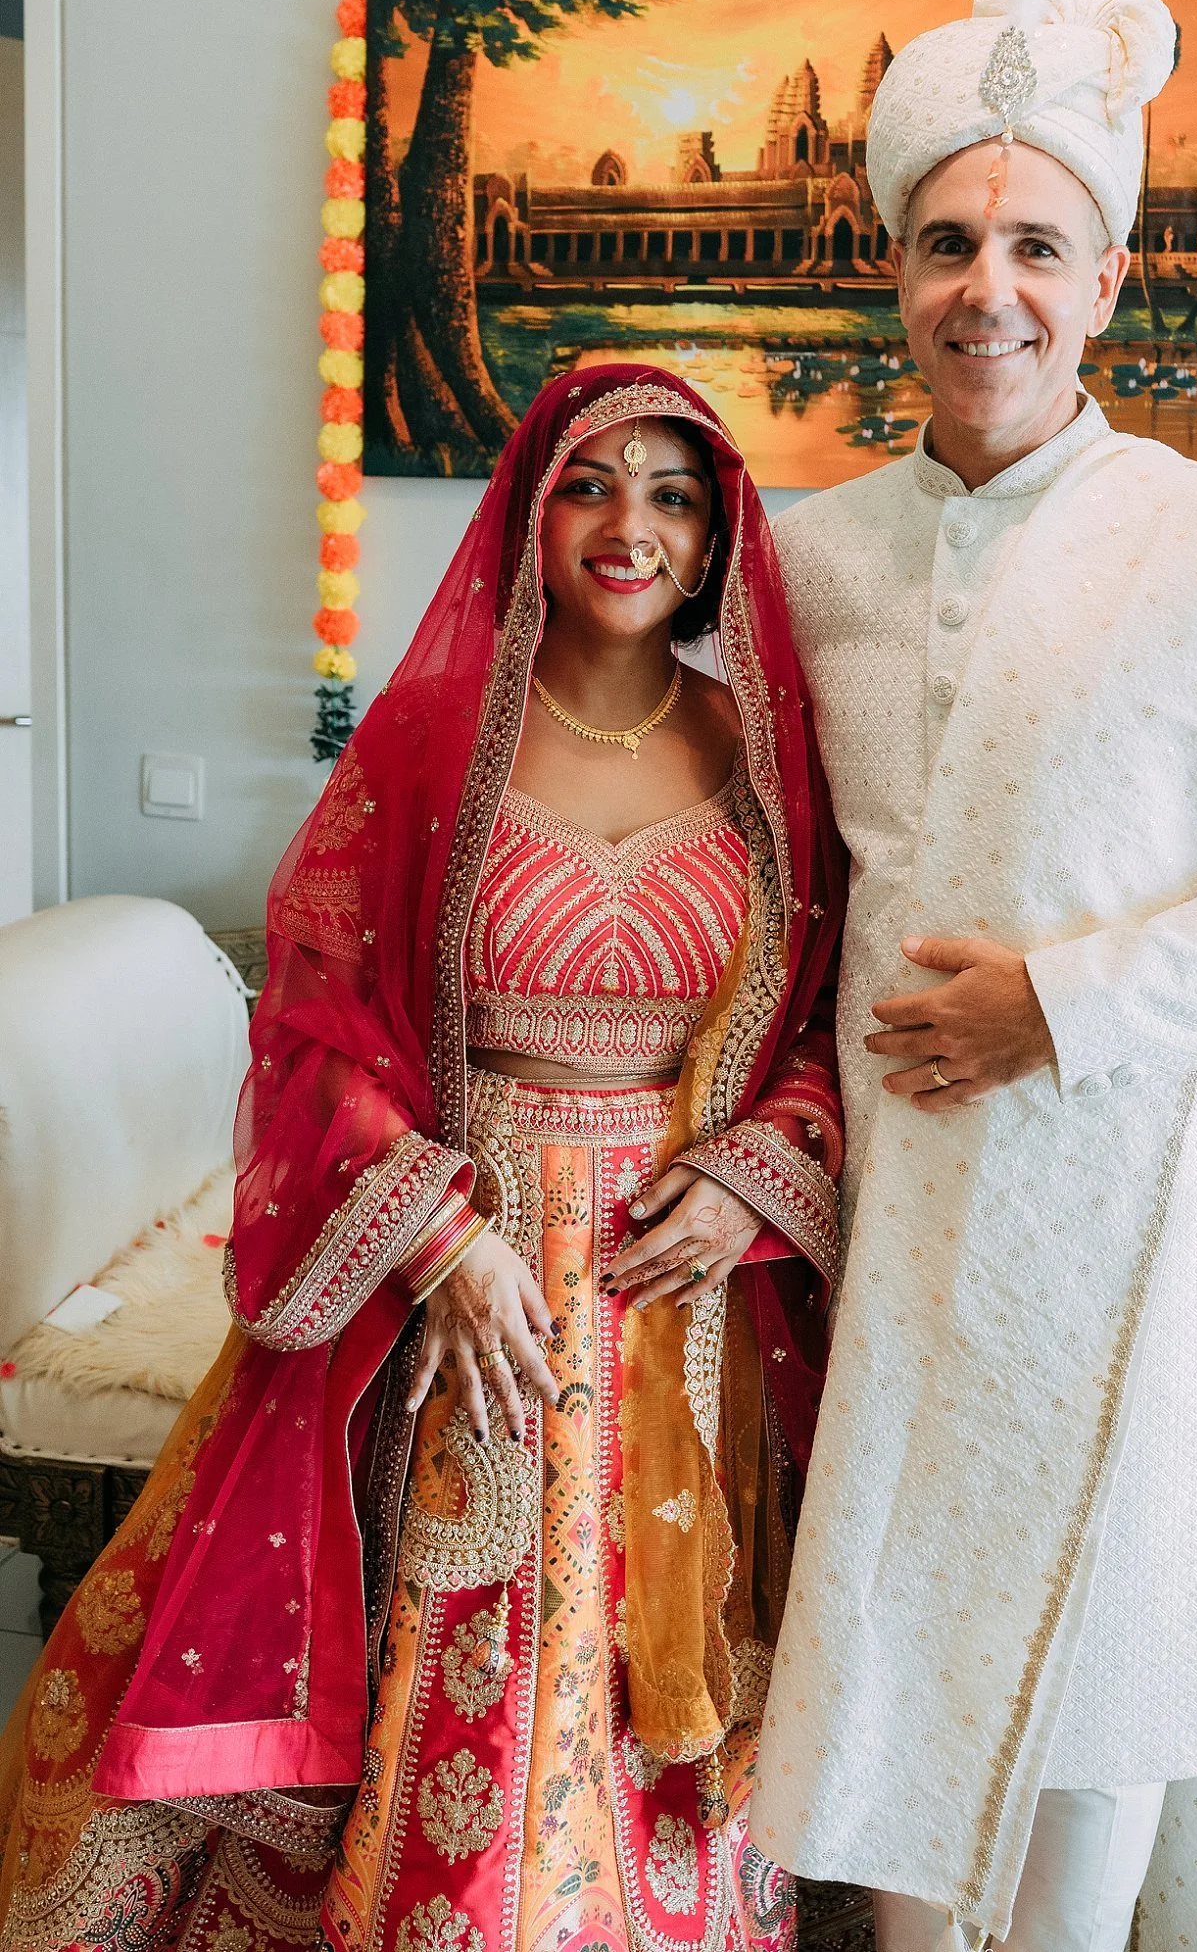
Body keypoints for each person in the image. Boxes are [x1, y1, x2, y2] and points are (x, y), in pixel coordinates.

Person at [0, 365, 845, 1952]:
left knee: (656, 1647)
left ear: (720, 533)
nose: (631, 526)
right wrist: (442, 1243)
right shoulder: (433, 742)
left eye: (674, 493)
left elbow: (823, 1016)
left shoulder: (767, 755)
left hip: (687, 1281)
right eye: (595, 482)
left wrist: (750, 1176)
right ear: (531, 509)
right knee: (471, 1622)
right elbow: (315, 1024)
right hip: (470, 1268)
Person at [750, 0, 1197, 1952]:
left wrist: (1067, 1002)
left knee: (1098, 1668)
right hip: (891, 1200)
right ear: (893, 270)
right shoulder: (805, 557)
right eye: (950, 243)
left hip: (1132, 1191)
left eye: (1038, 248)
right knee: (890, 1636)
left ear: (1109, 280)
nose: (991, 289)